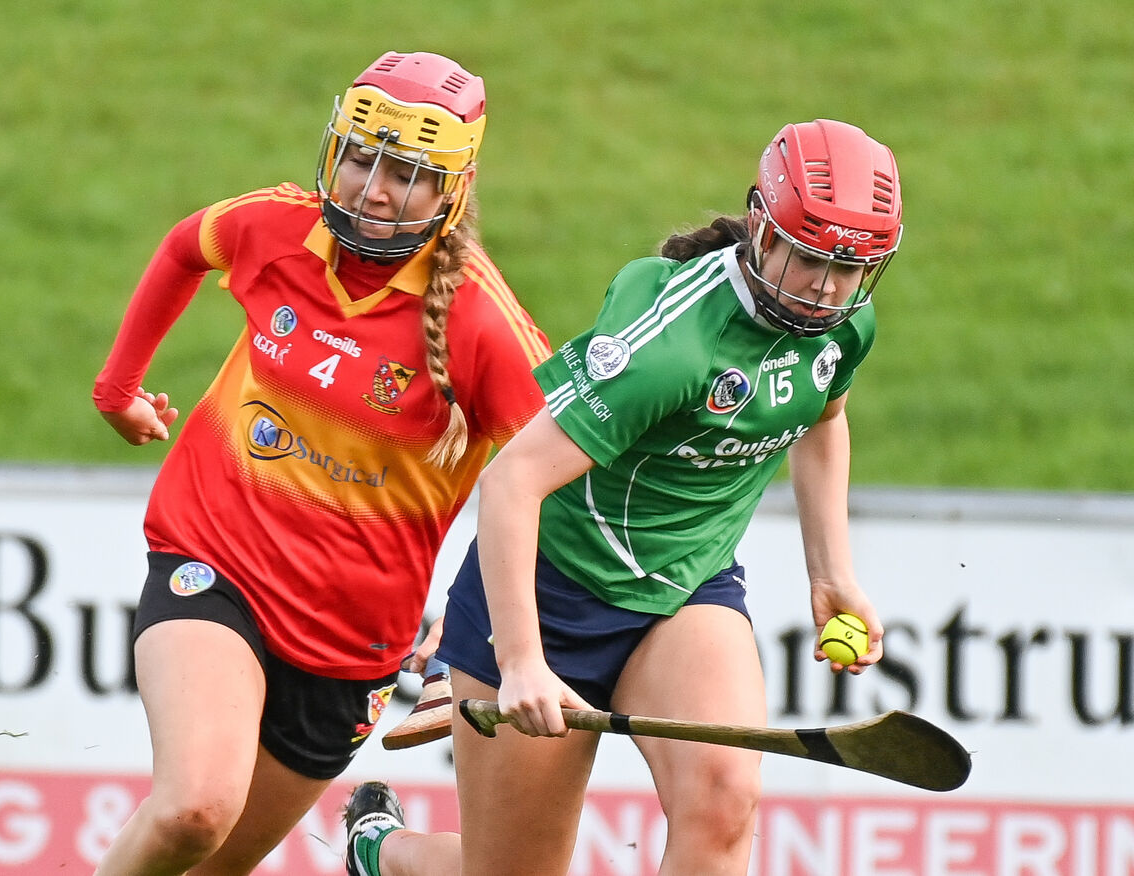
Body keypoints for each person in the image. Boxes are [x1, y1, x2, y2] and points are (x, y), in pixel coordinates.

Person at [344, 118, 903, 876]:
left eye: (853, 269)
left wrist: (831, 572)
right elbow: (512, 481)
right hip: (549, 596)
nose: (828, 287)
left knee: (724, 802)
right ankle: (382, 851)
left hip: (685, 592)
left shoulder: (842, 327)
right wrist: (522, 662)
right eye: (809, 259)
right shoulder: (670, 348)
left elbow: (823, 418)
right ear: (763, 226)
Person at [90, 50, 550, 875]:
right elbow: (182, 250)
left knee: (210, 865)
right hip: (213, 562)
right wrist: (117, 388)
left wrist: (482, 606)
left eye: (406, 173)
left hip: (350, 646)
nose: (372, 187)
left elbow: (549, 476)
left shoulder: (484, 323)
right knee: (195, 809)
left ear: (455, 190)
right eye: (360, 156)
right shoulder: (274, 225)